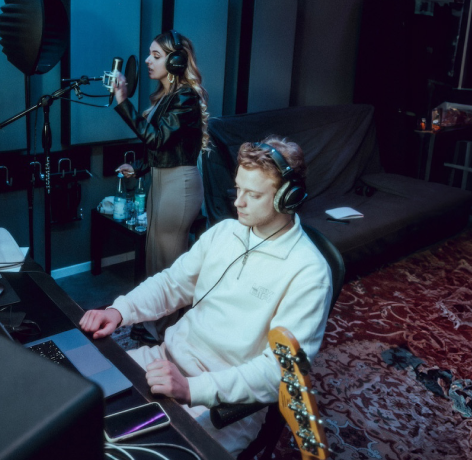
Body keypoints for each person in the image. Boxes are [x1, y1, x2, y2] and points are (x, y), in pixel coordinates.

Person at [80, 137, 333, 455]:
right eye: (238, 189)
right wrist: (120, 311)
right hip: (164, 362)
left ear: (288, 198)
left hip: (225, 403)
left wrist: (191, 388)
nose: (239, 202)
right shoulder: (224, 233)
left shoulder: (309, 272)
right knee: (76, 403)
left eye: (253, 195)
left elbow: (278, 373)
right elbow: (172, 284)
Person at [111, 30, 211, 344]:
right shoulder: (166, 97)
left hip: (179, 187)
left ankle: (171, 333)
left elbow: (155, 138)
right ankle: (156, 324)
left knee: (170, 263)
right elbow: (166, 147)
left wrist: (123, 102)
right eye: (149, 54)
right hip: (161, 180)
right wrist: (139, 168)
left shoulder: (185, 98)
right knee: (155, 258)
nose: (147, 60)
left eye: (156, 55)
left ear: (177, 61)